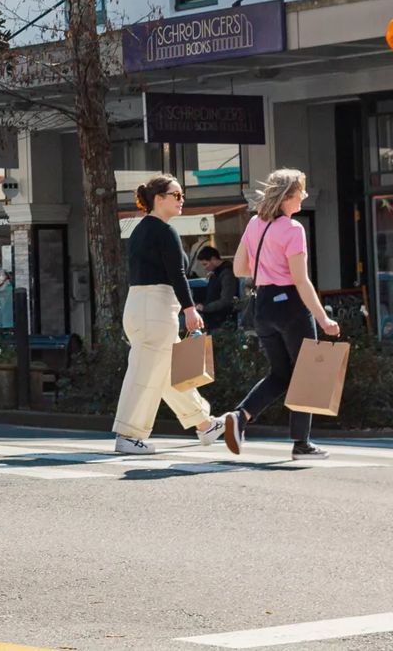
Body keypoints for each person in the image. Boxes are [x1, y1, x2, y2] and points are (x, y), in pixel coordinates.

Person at [221, 168, 340, 458]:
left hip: (263, 305)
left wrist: (267, 267)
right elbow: (301, 280)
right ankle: (302, 444)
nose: (305, 196)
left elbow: (238, 269)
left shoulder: (254, 224)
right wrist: (324, 319)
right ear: (288, 196)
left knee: (281, 373)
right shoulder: (293, 229)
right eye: (301, 191)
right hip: (290, 306)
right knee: (307, 373)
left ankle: (240, 417)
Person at [111, 175, 228, 455]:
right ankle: (128, 434)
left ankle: (204, 424)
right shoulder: (165, 231)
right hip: (157, 308)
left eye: (182, 195)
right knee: (145, 374)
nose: (181, 200)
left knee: (168, 374)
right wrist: (190, 309)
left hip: (140, 307)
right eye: (176, 195)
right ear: (158, 199)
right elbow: (177, 274)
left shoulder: (140, 230)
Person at [195, 245, 239, 333]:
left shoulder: (226, 274)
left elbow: (226, 300)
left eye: (205, 264)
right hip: (216, 319)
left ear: (214, 259)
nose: (205, 268)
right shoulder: (217, 272)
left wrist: (205, 308)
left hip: (221, 321)